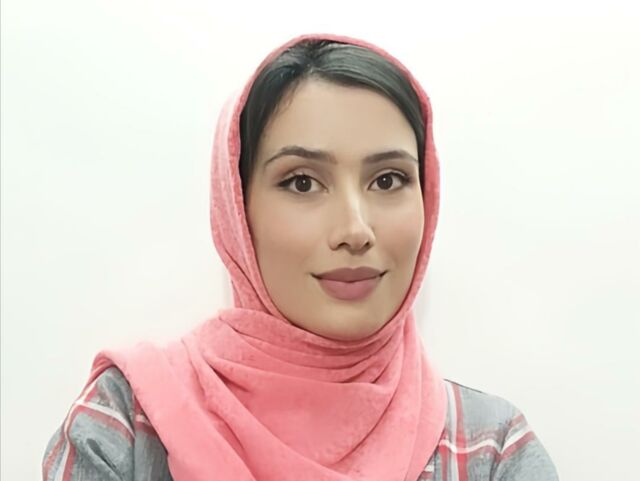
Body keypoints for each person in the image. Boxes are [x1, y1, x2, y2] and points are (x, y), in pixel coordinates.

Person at [42, 33, 559, 481]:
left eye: (388, 180)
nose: (355, 230)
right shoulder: (127, 426)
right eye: (303, 182)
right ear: (237, 209)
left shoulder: (490, 450)